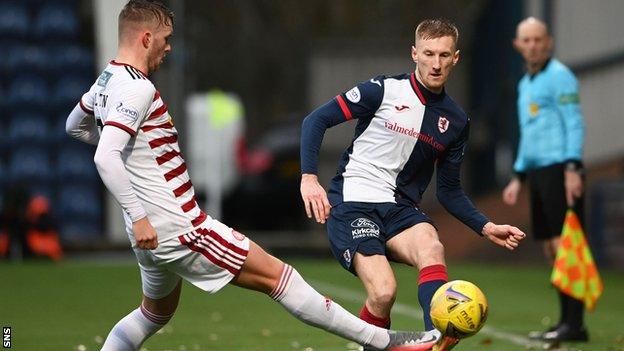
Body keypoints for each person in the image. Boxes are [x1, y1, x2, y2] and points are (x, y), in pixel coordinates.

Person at [65, 1, 441, 350]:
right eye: (165, 40)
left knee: (154, 313)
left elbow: (75, 126)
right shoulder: (136, 88)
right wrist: (141, 214)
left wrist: (135, 163)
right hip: (177, 227)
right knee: (281, 278)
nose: (168, 48)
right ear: (146, 38)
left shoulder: (107, 80)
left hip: (151, 234)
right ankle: (387, 342)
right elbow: (106, 156)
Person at [300, 19, 526, 351]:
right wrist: (309, 179)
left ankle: (434, 341)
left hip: (401, 212)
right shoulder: (383, 90)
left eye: (444, 55)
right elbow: (315, 120)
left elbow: (449, 190)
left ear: (456, 58)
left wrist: (485, 225)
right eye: (429, 53)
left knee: (432, 248)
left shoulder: (457, 122)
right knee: (383, 292)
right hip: (353, 204)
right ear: (414, 53)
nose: (436, 64)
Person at [502, 17, 588, 342]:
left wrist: (572, 168)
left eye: (539, 39)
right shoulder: (526, 84)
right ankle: (566, 320)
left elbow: (574, 123)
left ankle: (574, 323)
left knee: (567, 246)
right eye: (527, 40)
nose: (533, 45)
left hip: (559, 170)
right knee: (550, 250)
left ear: (548, 42)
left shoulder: (560, 76)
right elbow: (530, 134)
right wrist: (517, 176)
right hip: (537, 174)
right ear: (518, 45)